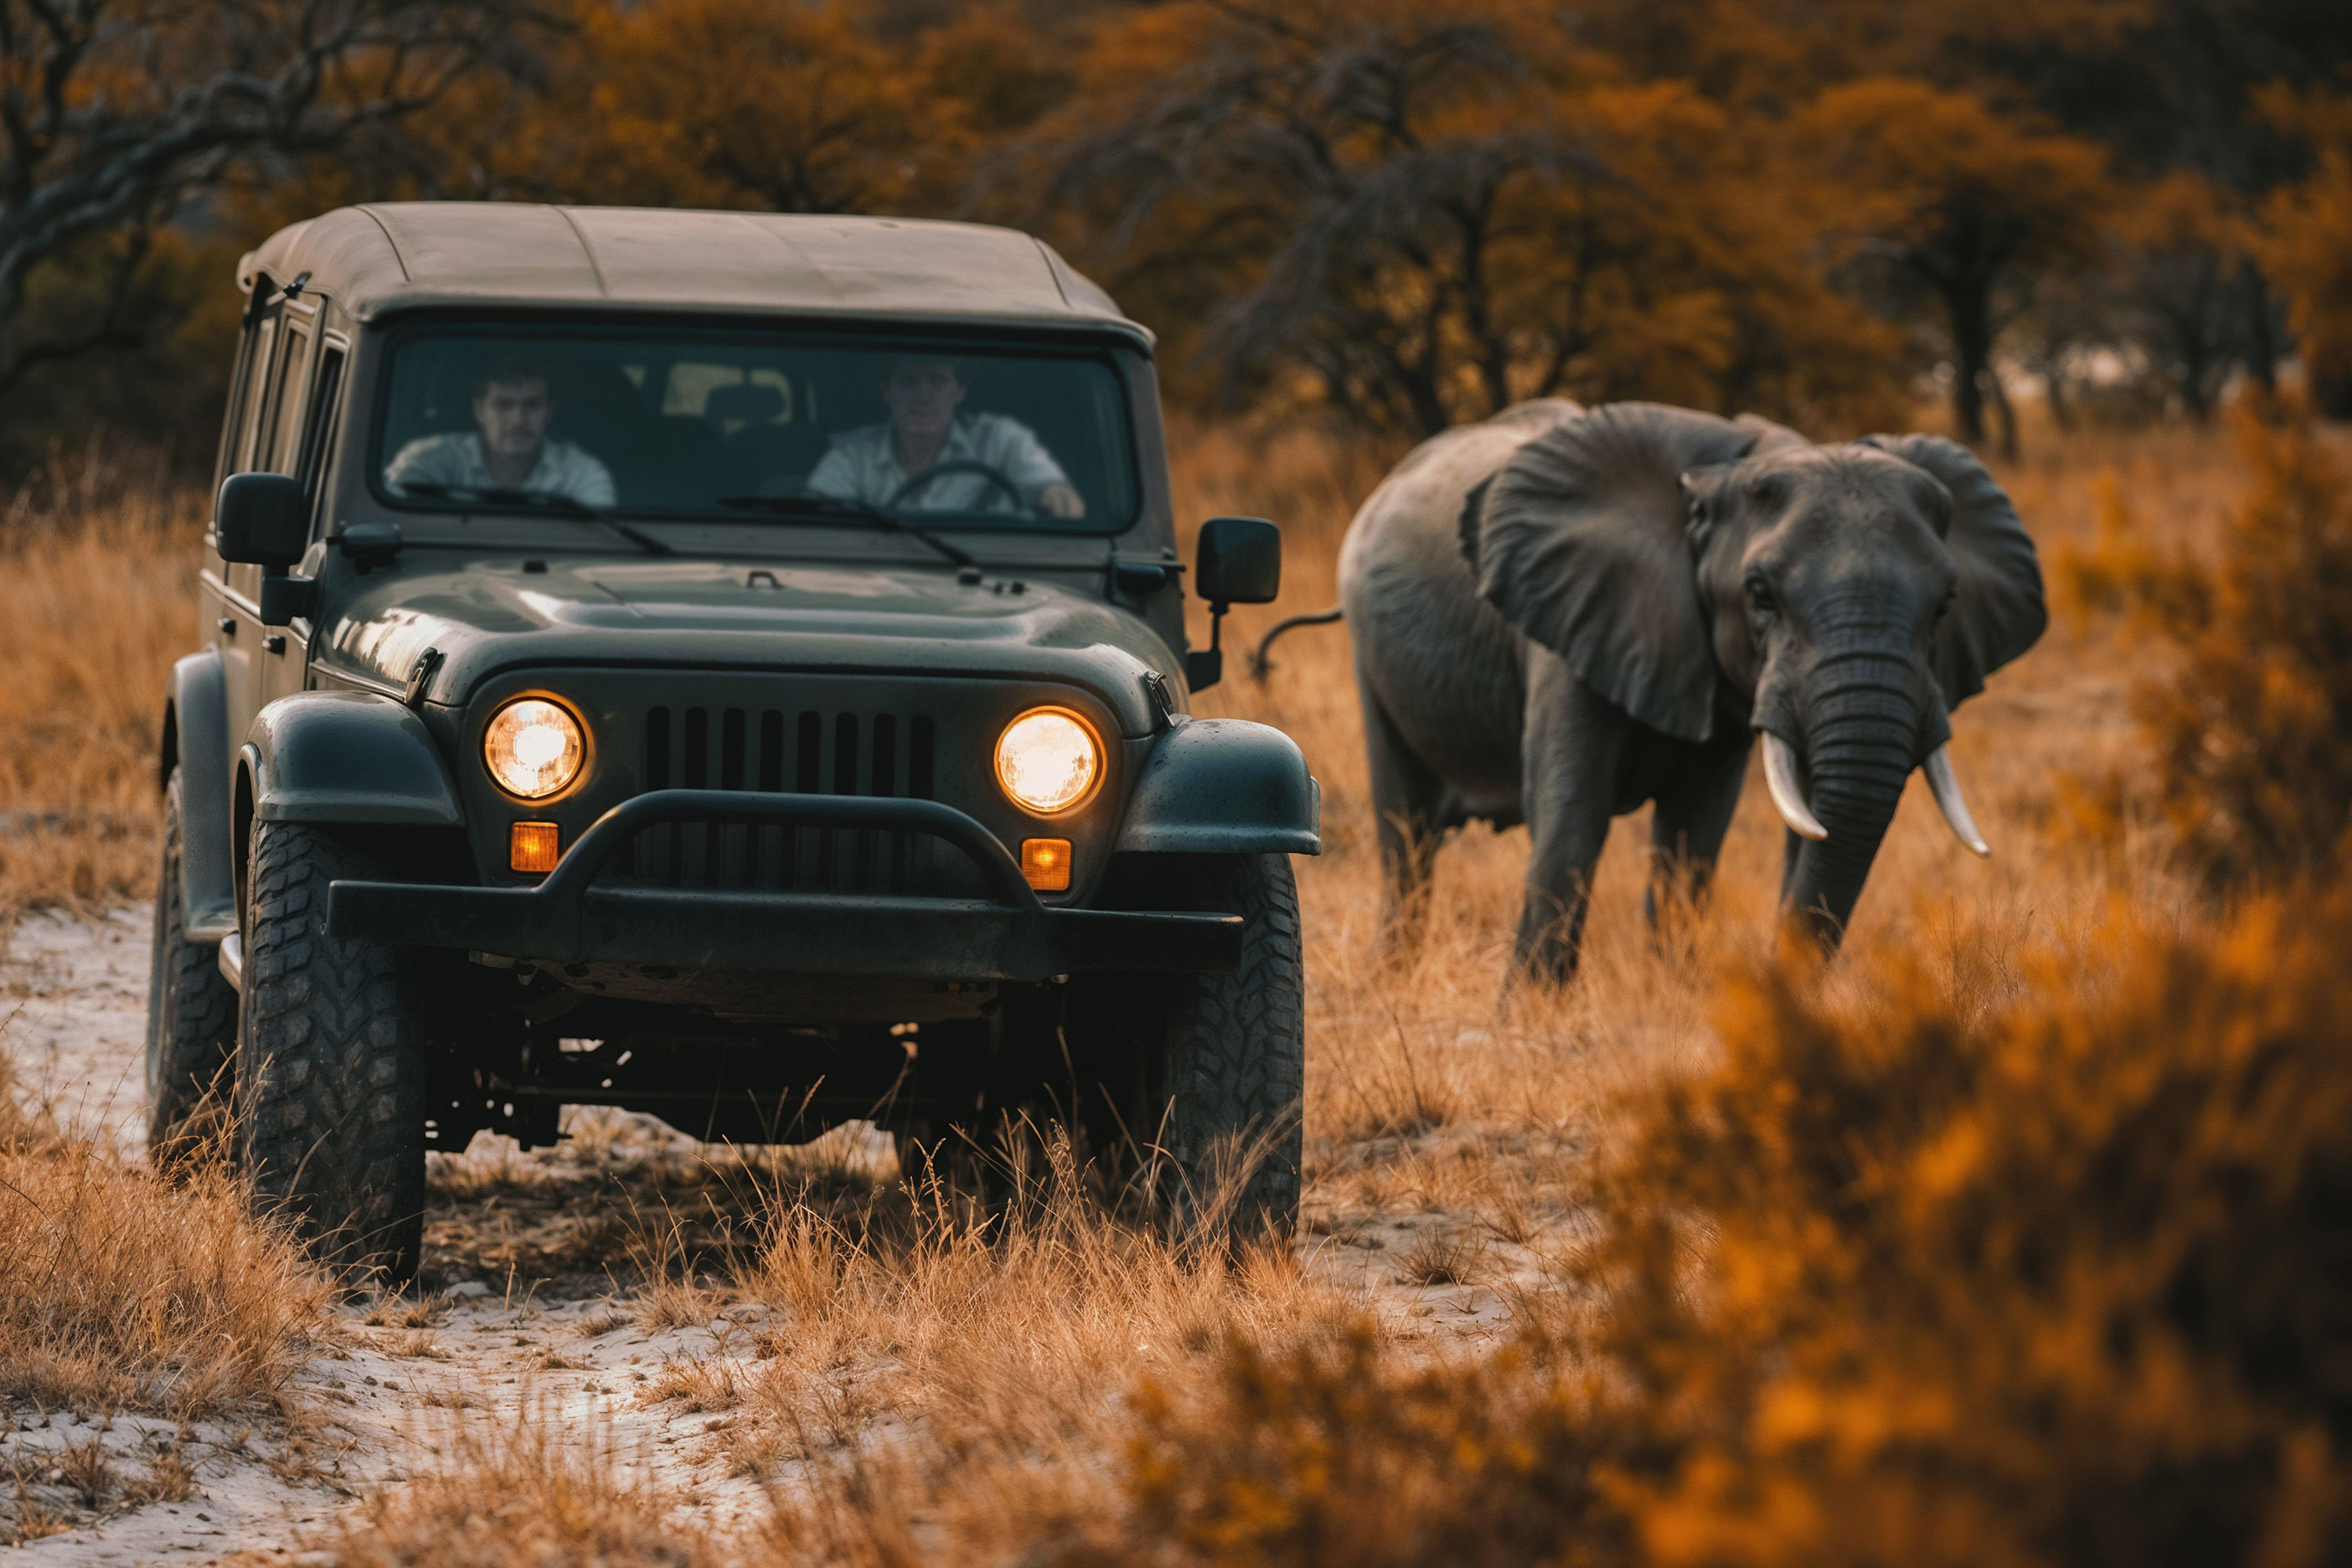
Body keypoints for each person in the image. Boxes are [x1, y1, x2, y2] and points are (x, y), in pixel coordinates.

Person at [808, 357, 1084, 517]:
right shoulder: (852, 453)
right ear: (887, 392)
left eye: (938, 382)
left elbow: (1050, 489)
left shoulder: (999, 439)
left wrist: (1054, 493)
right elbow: (818, 521)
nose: (923, 397)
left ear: (960, 392)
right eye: (908, 381)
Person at [385, 353, 615, 506]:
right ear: (479, 409)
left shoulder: (581, 473)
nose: (518, 420)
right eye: (504, 405)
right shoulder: (430, 460)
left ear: (550, 411)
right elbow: (393, 521)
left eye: (533, 405)